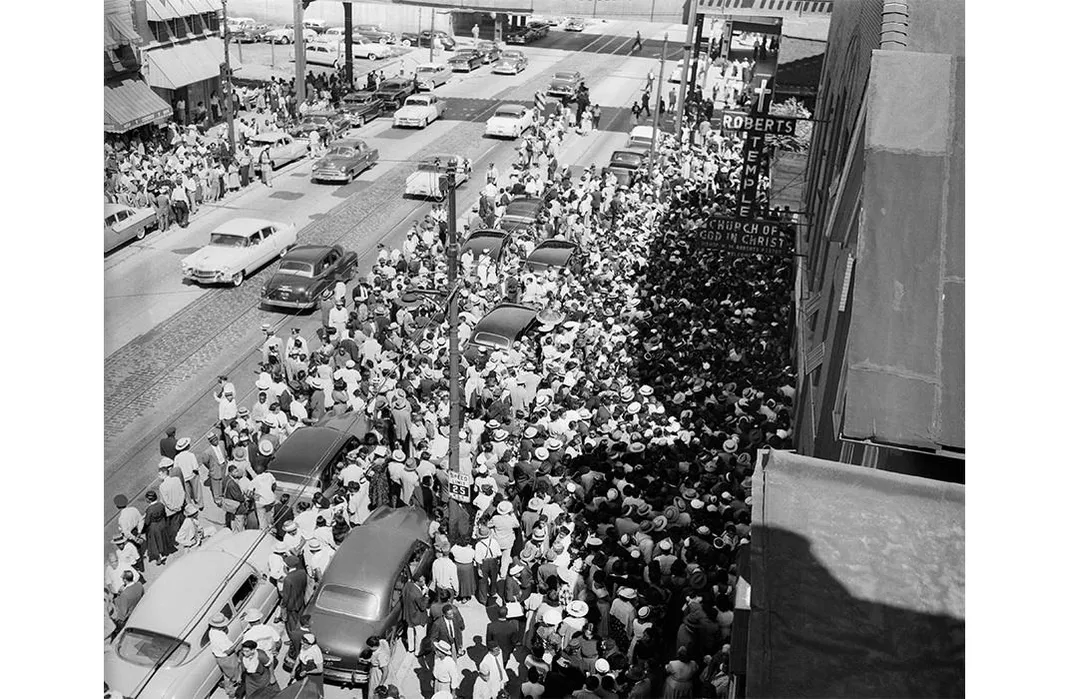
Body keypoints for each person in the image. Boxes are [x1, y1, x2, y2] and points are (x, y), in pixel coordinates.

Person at [208, 613, 243, 698]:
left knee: (227, 675)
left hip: (220, 658)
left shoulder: (211, 631)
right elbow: (228, 651)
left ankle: (228, 689)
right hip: (227, 658)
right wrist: (239, 641)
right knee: (235, 675)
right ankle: (233, 692)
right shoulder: (219, 637)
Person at [402, 574, 429, 655]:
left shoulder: (408, 585)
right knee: (420, 635)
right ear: (417, 582)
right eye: (422, 581)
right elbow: (423, 607)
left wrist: (421, 593)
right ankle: (418, 651)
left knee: (410, 630)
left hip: (408, 613)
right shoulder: (417, 594)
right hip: (417, 617)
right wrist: (426, 595)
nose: (424, 582)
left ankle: (411, 648)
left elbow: (407, 596)